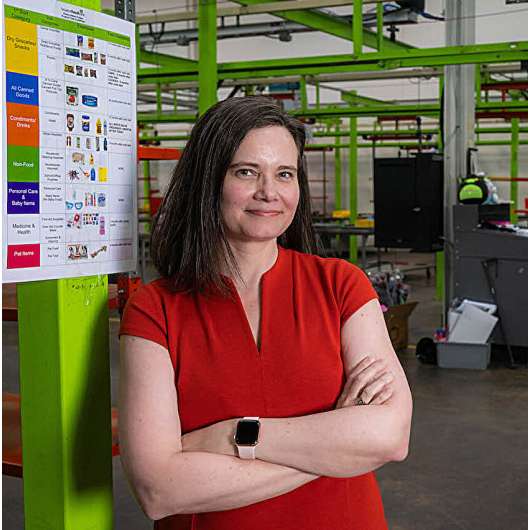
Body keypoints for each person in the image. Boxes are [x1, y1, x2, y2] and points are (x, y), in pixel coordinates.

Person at [118, 96, 412, 530]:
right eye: (246, 172)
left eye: (285, 174)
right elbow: (159, 490)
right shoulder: (155, 309)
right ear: (209, 180)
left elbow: (390, 437)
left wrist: (236, 434)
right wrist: (336, 447)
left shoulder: (341, 285)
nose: (268, 192)